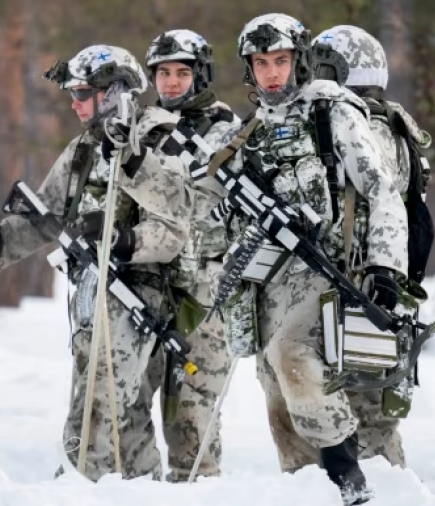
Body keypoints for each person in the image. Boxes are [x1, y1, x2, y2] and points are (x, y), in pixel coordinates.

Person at [0, 44, 193, 481]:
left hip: (141, 290)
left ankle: (77, 484)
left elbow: (175, 225)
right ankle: (143, 490)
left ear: (113, 92)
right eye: (73, 95)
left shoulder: (159, 138)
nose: (75, 104)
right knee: (124, 408)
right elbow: (45, 217)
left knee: (101, 398)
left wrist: (121, 239)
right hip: (89, 290)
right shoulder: (82, 150)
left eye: (84, 93)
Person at [202, 13, 409, 505]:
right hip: (265, 282)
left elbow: (380, 189)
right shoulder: (246, 133)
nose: (271, 73)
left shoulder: (332, 111)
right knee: (278, 395)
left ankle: (348, 476)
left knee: (292, 356)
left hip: (329, 271)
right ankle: (305, 492)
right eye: (260, 63)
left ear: (299, 61)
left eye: (280, 60)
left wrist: (385, 266)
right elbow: (213, 218)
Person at [140, 28, 239, 482]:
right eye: (164, 73)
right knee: (134, 393)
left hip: (205, 282)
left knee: (194, 403)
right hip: (146, 276)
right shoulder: (141, 126)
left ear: (201, 74)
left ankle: (197, 486)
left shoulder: (227, 130)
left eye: (183, 72)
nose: (173, 82)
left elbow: (207, 197)